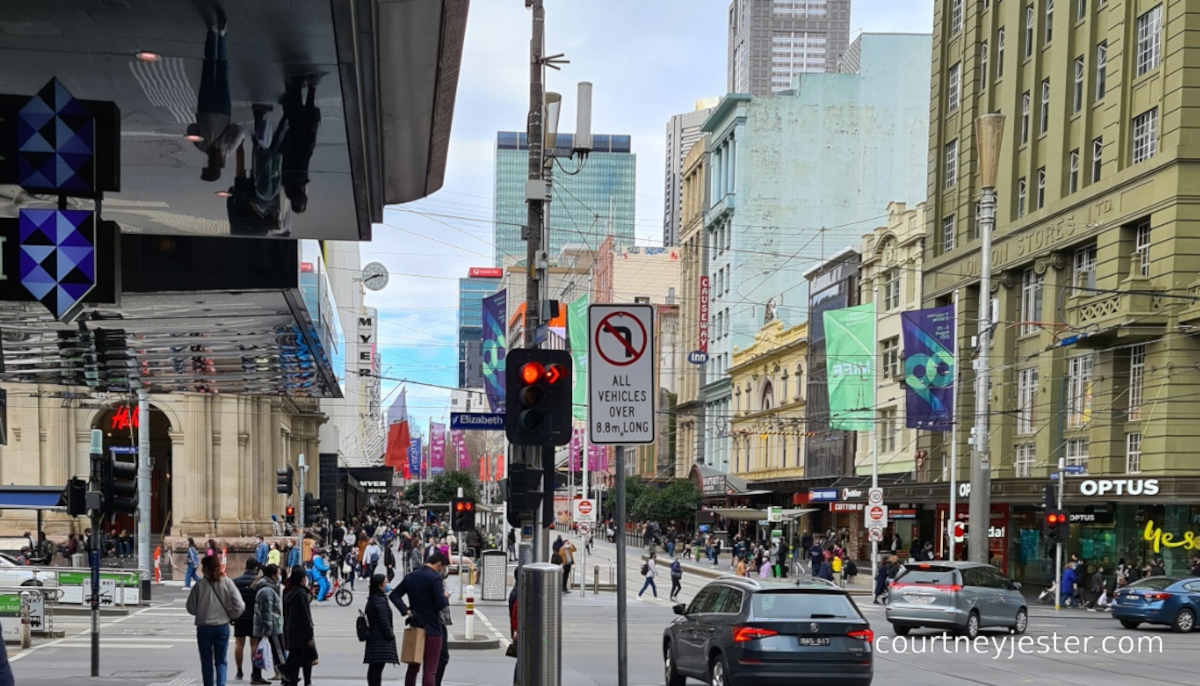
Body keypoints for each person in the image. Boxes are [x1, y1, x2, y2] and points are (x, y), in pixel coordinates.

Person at [187, 11, 243, 183]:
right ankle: (212, 32)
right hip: (204, 108)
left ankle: (222, 34)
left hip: (223, 110)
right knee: (209, 66)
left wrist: (227, 128)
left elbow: (239, 132)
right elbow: (191, 129)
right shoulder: (201, 146)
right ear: (208, 165)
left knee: (222, 69)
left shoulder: (227, 149)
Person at [389, 551, 451, 686]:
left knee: (413, 666)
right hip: (433, 627)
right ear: (439, 564)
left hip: (416, 625)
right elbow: (440, 604)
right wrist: (445, 597)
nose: (442, 571)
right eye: (443, 568)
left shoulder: (411, 576)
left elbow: (394, 595)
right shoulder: (434, 579)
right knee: (430, 669)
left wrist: (405, 610)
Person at [186, 555, 245, 686]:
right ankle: (221, 683)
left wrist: (200, 611)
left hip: (204, 627)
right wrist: (231, 615)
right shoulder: (227, 582)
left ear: (206, 569)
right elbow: (240, 605)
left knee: (206, 661)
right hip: (222, 626)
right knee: (221, 661)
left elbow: (190, 608)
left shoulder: (199, 586)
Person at [282, 566, 317, 686]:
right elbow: (306, 617)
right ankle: (305, 681)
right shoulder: (301, 594)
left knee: (296, 657)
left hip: (291, 632)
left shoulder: (288, 592)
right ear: (302, 579)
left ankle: (291, 679)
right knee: (304, 658)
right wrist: (310, 635)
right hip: (302, 633)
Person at [250, 564, 284, 685]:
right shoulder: (267, 590)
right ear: (273, 575)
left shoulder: (268, 587)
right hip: (270, 626)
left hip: (266, 625)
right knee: (278, 650)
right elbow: (266, 611)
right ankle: (286, 675)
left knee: (262, 651)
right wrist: (268, 628)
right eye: (278, 573)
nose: (279, 576)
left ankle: (256, 675)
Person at [364, 573, 398, 686]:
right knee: (376, 668)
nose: (387, 585)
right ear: (380, 585)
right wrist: (391, 635)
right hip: (380, 639)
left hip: (374, 638)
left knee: (374, 668)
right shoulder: (380, 601)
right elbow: (384, 622)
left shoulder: (373, 599)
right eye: (386, 582)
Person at [232, 559, 260, 681]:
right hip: (254, 616)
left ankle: (239, 671)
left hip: (240, 615)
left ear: (245, 567)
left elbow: (231, 600)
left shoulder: (236, 581)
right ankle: (254, 671)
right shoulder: (258, 582)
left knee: (239, 644)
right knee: (254, 644)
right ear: (255, 568)